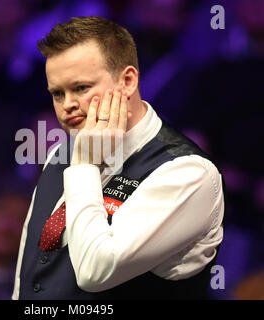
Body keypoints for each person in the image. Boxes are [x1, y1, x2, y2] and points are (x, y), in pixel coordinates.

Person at [12, 16, 225, 300]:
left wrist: (86, 164)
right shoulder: (60, 154)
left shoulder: (188, 173)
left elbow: (95, 271)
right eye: (57, 93)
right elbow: (27, 276)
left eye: (81, 88)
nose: (68, 105)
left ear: (127, 81)